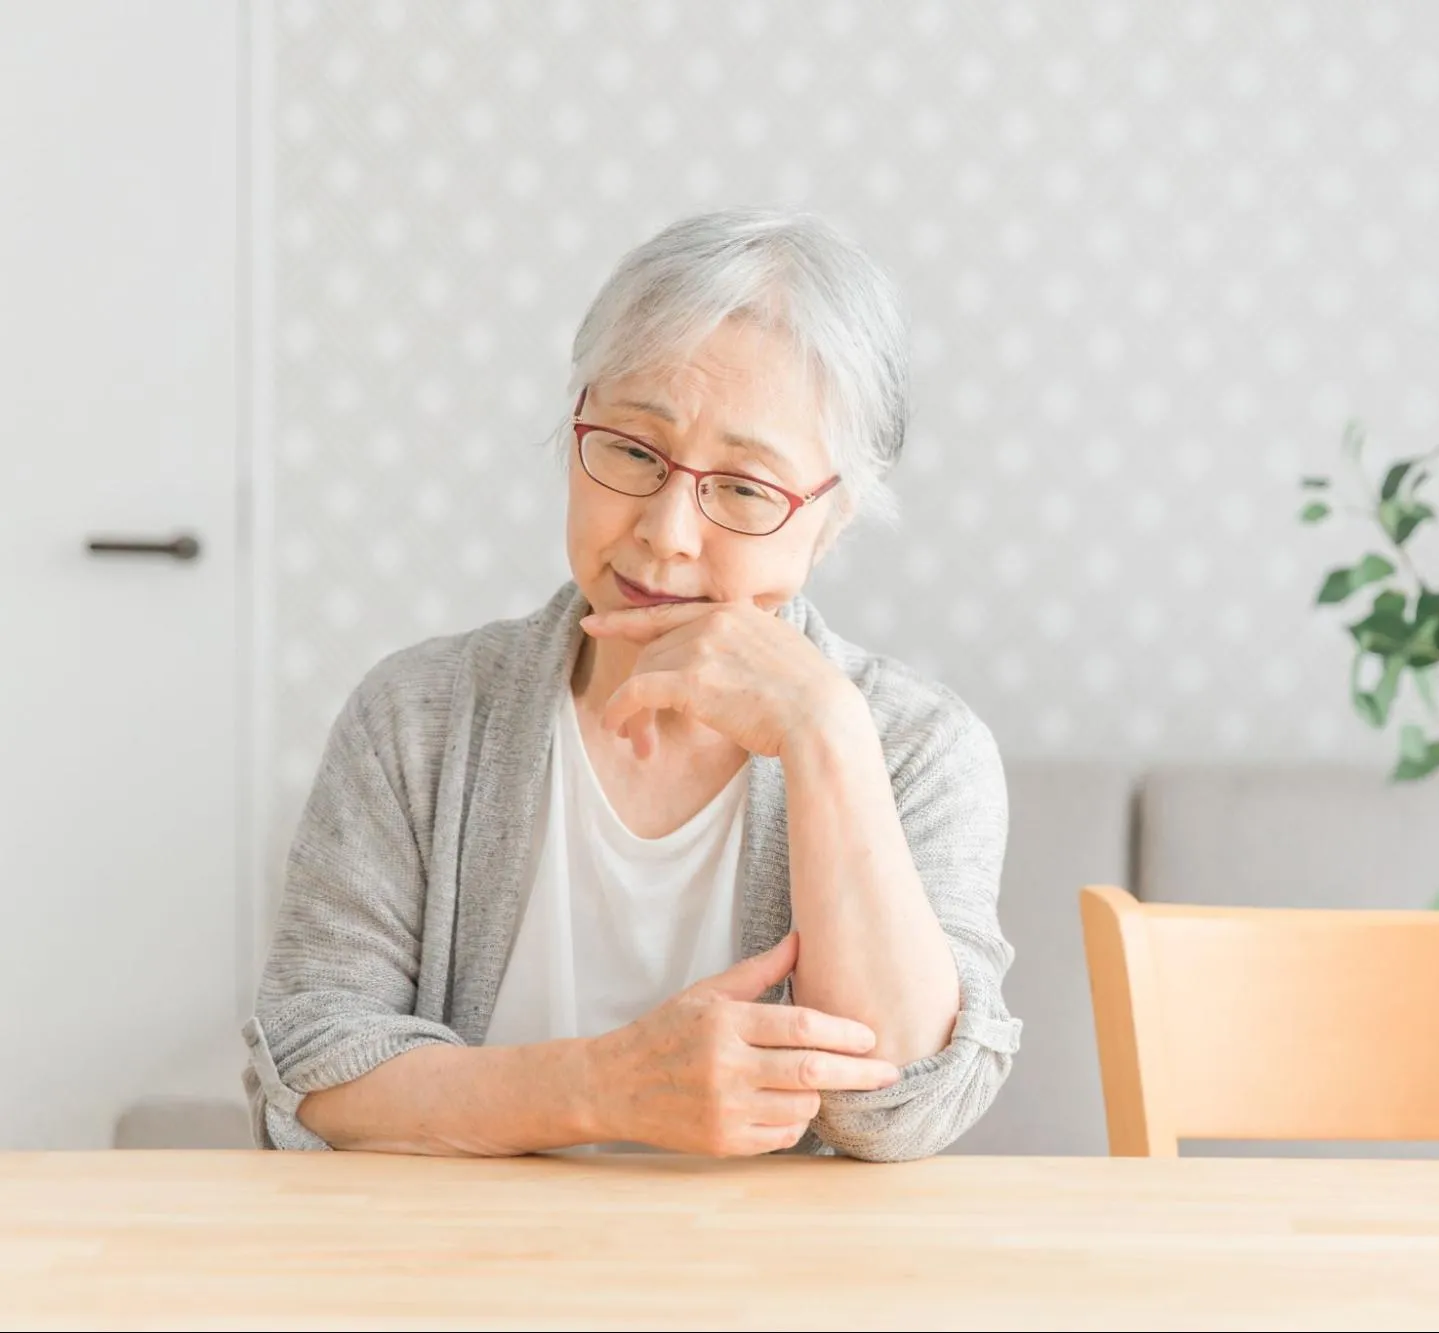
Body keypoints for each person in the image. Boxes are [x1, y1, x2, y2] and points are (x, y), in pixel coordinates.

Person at [244, 209, 1018, 1161]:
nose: (666, 532)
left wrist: (826, 736)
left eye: (742, 487)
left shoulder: (917, 747)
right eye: (633, 451)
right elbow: (310, 1068)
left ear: (834, 520)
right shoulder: (417, 716)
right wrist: (605, 1089)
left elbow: (901, 1111)